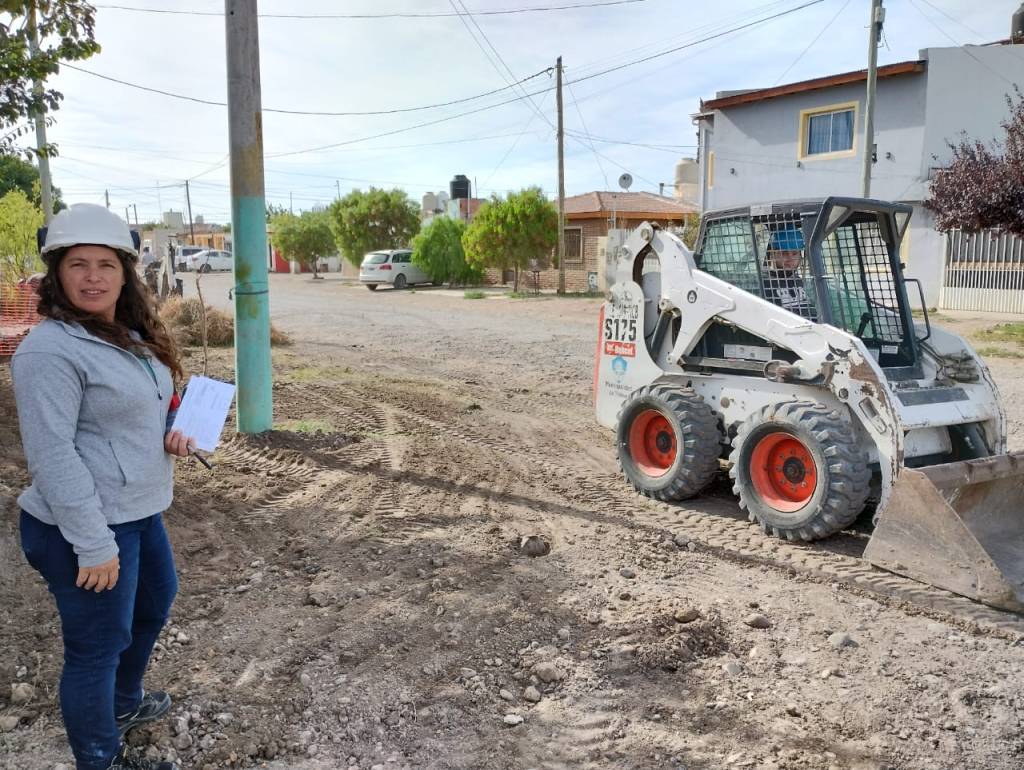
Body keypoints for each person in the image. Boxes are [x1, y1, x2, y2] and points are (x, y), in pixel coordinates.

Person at [12, 203, 194, 770]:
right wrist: (92, 544)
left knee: (153, 605)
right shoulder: (50, 350)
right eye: (78, 264)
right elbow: (52, 454)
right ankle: (99, 757)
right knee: (96, 647)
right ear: (57, 275)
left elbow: (136, 409)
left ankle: (121, 704)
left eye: (106, 265)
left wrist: (171, 431)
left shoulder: (125, 334)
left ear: (124, 273)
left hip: (138, 509)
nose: (93, 276)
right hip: (82, 524)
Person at [761, 225, 817, 320]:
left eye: (794, 253)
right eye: (784, 253)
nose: (790, 258)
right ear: (773, 254)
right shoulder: (765, 283)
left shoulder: (800, 281)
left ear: (800, 255)